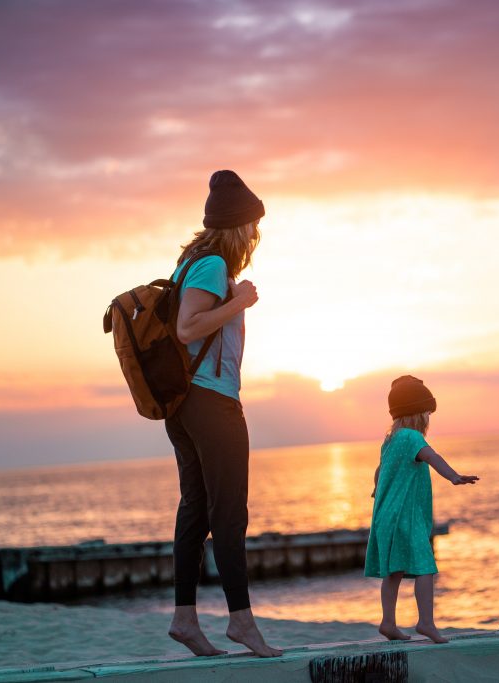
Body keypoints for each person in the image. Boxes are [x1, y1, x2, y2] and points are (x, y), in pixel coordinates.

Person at [164, 170, 281, 658]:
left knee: (195, 510)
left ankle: (185, 619)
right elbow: (188, 328)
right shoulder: (211, 265)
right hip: (211, 402)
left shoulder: (189, 261)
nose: (255, 236)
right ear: (239, 228)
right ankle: (242, 623)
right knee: (229, 514)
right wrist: (239, 301)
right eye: (252, 227)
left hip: (183, 403)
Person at [365, 375, 479, 644]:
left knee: (393, 571)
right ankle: (426, 622)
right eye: (427, 413)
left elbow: (379, 471)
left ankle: (388, 622)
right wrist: (453, 476)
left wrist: (377, 490)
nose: (428, 418)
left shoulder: (391, 439)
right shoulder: (411, 437)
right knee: (425, 566)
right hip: (406, 516)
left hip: (385, 515)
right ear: (418, 414)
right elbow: (432, 456)